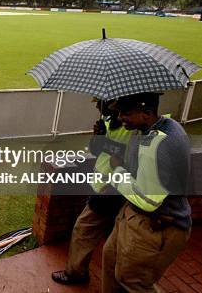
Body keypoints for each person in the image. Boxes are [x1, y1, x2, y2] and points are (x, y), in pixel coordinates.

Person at [102, 92, 191, 293]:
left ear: (146, 112)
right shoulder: (151, 129)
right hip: (134, 216)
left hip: (156, 225)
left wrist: (117, 172)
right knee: (110, 260)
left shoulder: (159, 142)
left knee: (133, 281)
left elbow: (147, 200)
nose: (119, 118)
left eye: (125, 113)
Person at [52, 99, 130, 285]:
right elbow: (97, 152)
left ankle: (76, 273)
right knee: (113, 237)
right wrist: (98, 138)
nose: (98, 108)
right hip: (103, 187)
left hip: (111, 190)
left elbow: (127, 158)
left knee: (83, 229)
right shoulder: (109, 122)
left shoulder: (131, 128)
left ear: (116, 104)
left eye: (102, 104)